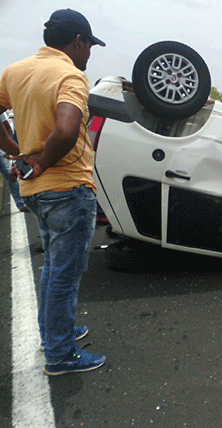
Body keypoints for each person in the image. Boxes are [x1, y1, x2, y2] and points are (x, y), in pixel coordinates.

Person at [0, 9, 107, 375]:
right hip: (67, 186)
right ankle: (61, 355)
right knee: (65, 272)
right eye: (89, 45)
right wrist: (42, 160)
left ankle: (54, 333)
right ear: (77, 42)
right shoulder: (70, 76)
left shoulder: (14, 71)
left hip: (35, 191)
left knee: (53, 269)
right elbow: (65, 130)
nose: (90, 53)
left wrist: (17, 151)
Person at [0, 112, 27, 211]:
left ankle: (21, 203)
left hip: (1, 148)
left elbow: (8, 128)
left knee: (10, 174)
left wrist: (7, 147)